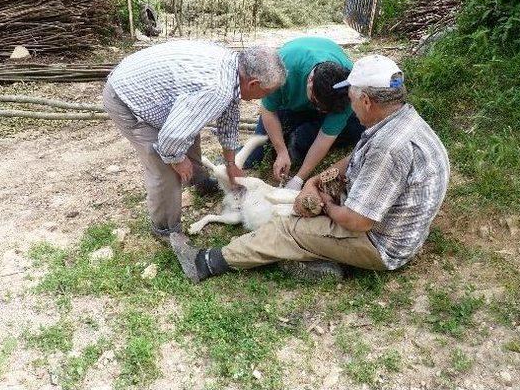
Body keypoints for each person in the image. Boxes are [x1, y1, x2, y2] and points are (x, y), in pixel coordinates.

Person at [170, 54, 450, 282]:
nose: (350, 108)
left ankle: (206, 262)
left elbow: (358, 222)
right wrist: (315, 179)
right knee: (302, 209)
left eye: (352, 100)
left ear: (366, 100)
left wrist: (326, 204)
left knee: (286, 227)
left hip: (379, 244)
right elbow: (355, 158)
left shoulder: (388, 148)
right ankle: (320, 256)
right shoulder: (400, 119)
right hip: (395, 229)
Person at [103, 40, 286, 240]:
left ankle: (199, 181)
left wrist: (231, 163)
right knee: (164, 168)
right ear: (253, 84)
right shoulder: (217, 89)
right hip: (130, 99)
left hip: (150, 89)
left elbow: (228, 119)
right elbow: (170, 138)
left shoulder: (233, 70)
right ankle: (165, 230)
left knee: (189, 132)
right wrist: (177, 160)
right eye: (266, 93)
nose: (262, 98)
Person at [244, 36, 364, 190]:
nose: (320, 110)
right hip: (288, 104)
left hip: (326, 104)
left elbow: (326, 137)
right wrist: (281, 151)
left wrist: (299, 178)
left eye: (325, 110)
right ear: (310, 81)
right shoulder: (281, 70)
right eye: (316, 104)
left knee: (357, 128)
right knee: (255, 152)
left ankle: (300, 135)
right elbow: (268, 111)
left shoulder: (347, 89)